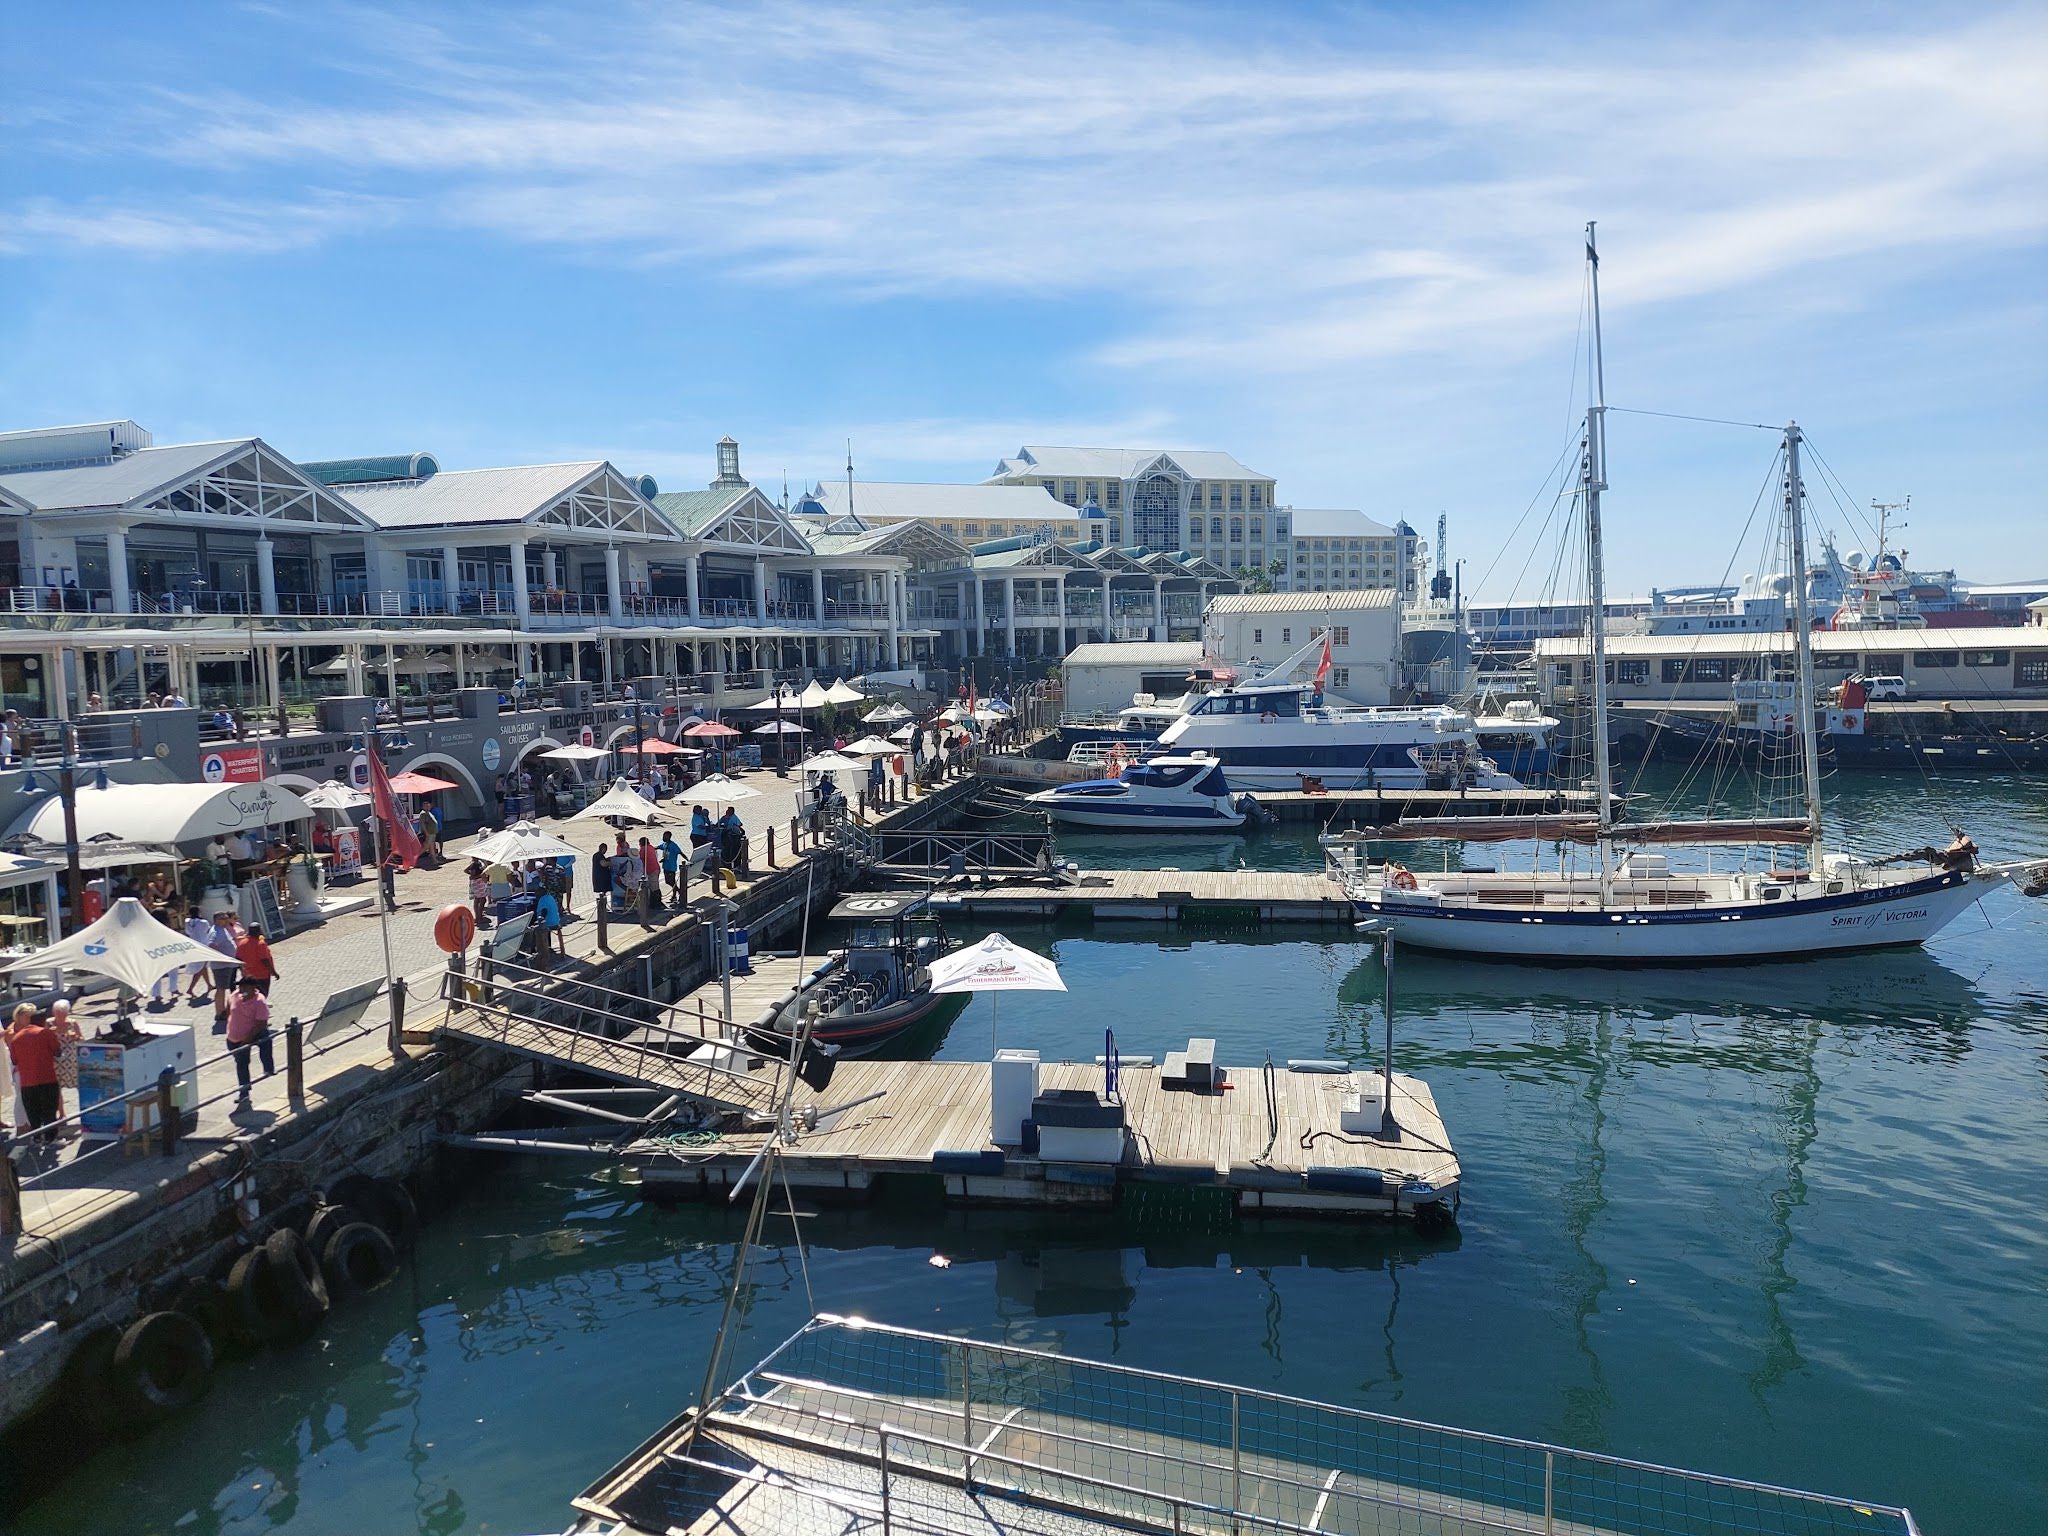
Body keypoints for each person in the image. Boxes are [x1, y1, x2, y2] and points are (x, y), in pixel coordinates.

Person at [7, 1002, 62, 1141]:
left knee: (33, 1113)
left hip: (27, 1082)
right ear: (42, 1021)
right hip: (47, 1079)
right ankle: (51, 1139)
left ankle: (36, 1138)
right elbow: (57, 1052)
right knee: (49, 1111)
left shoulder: (16, 1038)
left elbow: (14, 1061)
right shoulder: (46, 1033)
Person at [225, 979, 274, 1111]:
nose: (242, 990)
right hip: (235, 1037)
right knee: (242, 1064)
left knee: (266, 1040)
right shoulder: (235, 995)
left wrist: (248, 1038)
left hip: (253, 1033)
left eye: (245, 988)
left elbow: (261, 1023)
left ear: (253, 988)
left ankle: (268, 1067)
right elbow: (229, 1008)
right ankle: (244, 1092)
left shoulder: (259, 1001)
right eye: (240, 987)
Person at [206, 913, 240, 1031]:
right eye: (223, 918)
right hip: (222, 966)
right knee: (221, 989)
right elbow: (210, 945)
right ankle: (220, 1013)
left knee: (225, 987)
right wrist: (222, 957)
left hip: (227, 965)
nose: (226, 920)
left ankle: (224, 1010)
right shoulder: (216, 932)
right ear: (216, 920)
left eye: (226, 918)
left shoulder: (222, 929)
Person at [234, 923, 279, 997]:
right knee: (262, 995)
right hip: (262, 975)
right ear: (259, 931)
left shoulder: (242, 943)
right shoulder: (260, 943)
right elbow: (264, 960)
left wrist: (243, 970)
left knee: (252, 995)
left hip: (248, 975)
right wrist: (273, 972)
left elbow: (238, 958)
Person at [184, 906, 216, 1001]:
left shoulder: (187, 921)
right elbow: (207, 931)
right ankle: (190, 989)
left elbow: (188, 932)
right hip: (203, 945)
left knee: (204, 967)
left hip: (193, 945)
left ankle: (209, 985)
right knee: (201, 968)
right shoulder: (203, 922)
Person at [532, 885, 563, 959]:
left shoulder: (543, 900)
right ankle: (548, 945)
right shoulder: (550, 897)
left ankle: (537, 950)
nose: (535, 894)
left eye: (536, 892)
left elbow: (543, 914)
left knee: (534, 930)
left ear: (540, 893)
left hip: (549, 923)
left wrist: (537, 922)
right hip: (556, 921)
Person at [659, 829, 684, 902]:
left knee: (671, 881)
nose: (663, 837)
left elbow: (680, 852)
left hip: (671, 867)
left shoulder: (673, 845)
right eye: (663, 836)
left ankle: (678, 892)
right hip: (665, 866)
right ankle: (675, 894)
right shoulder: (664, 844)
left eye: (665, 836)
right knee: (668, 881)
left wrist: (688, 860)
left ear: (669, 837)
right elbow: (658, 847)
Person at [638, 836, 661, 912]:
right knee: (655, 886)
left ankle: (656, 904)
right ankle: (656, 903)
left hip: (651, 870)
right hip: (656, 868)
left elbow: (639, 859)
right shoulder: (651, 847)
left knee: (653, 887)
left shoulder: (643, 849)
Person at [589, 845, 613, 913]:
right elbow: (603, 864)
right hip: (600, 877)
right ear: (603, 849)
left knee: (603, 892)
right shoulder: (599, 855)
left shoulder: (597, 855)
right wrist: (610, 863)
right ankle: (602, 906)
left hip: (599, 877)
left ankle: (603, 906)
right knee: (602, 892)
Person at [466, 857, 489, 925]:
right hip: (478, 884)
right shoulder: (474, 864)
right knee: (482, 900)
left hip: (479, 883)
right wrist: (480, 875)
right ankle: (479, 917)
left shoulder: (478, 863)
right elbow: (472, 876)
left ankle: (478, 917)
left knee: (478, 900)